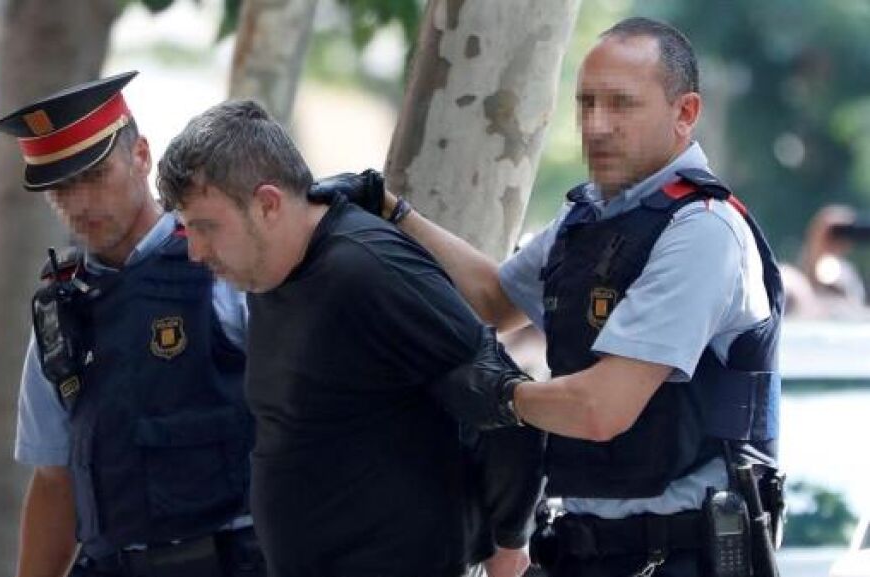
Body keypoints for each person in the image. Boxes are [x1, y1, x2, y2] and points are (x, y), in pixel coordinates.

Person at [321, 17, 786, 577]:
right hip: (588, 550)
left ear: (684, 113)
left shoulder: (703, 230)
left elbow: (601, 409)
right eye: (587, 103)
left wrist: (500, 396)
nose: (597, 125)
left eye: (621, 104)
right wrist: (392, 211)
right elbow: (494, 299)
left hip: (682, 555)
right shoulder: (589, 216)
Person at [156, 100, 545, 577]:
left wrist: (508, 542)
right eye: (187, 231)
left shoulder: (367, 269)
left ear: (268, 204)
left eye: (205, 228)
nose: (195, 252)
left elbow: (509, 407)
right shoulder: (266, 272)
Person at [0, 72, 263, 577]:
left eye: (95, 175)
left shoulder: (222, 265)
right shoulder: (60, 308)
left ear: (141, 156)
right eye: (60, 188)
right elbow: (54, 480)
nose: (78, 203)